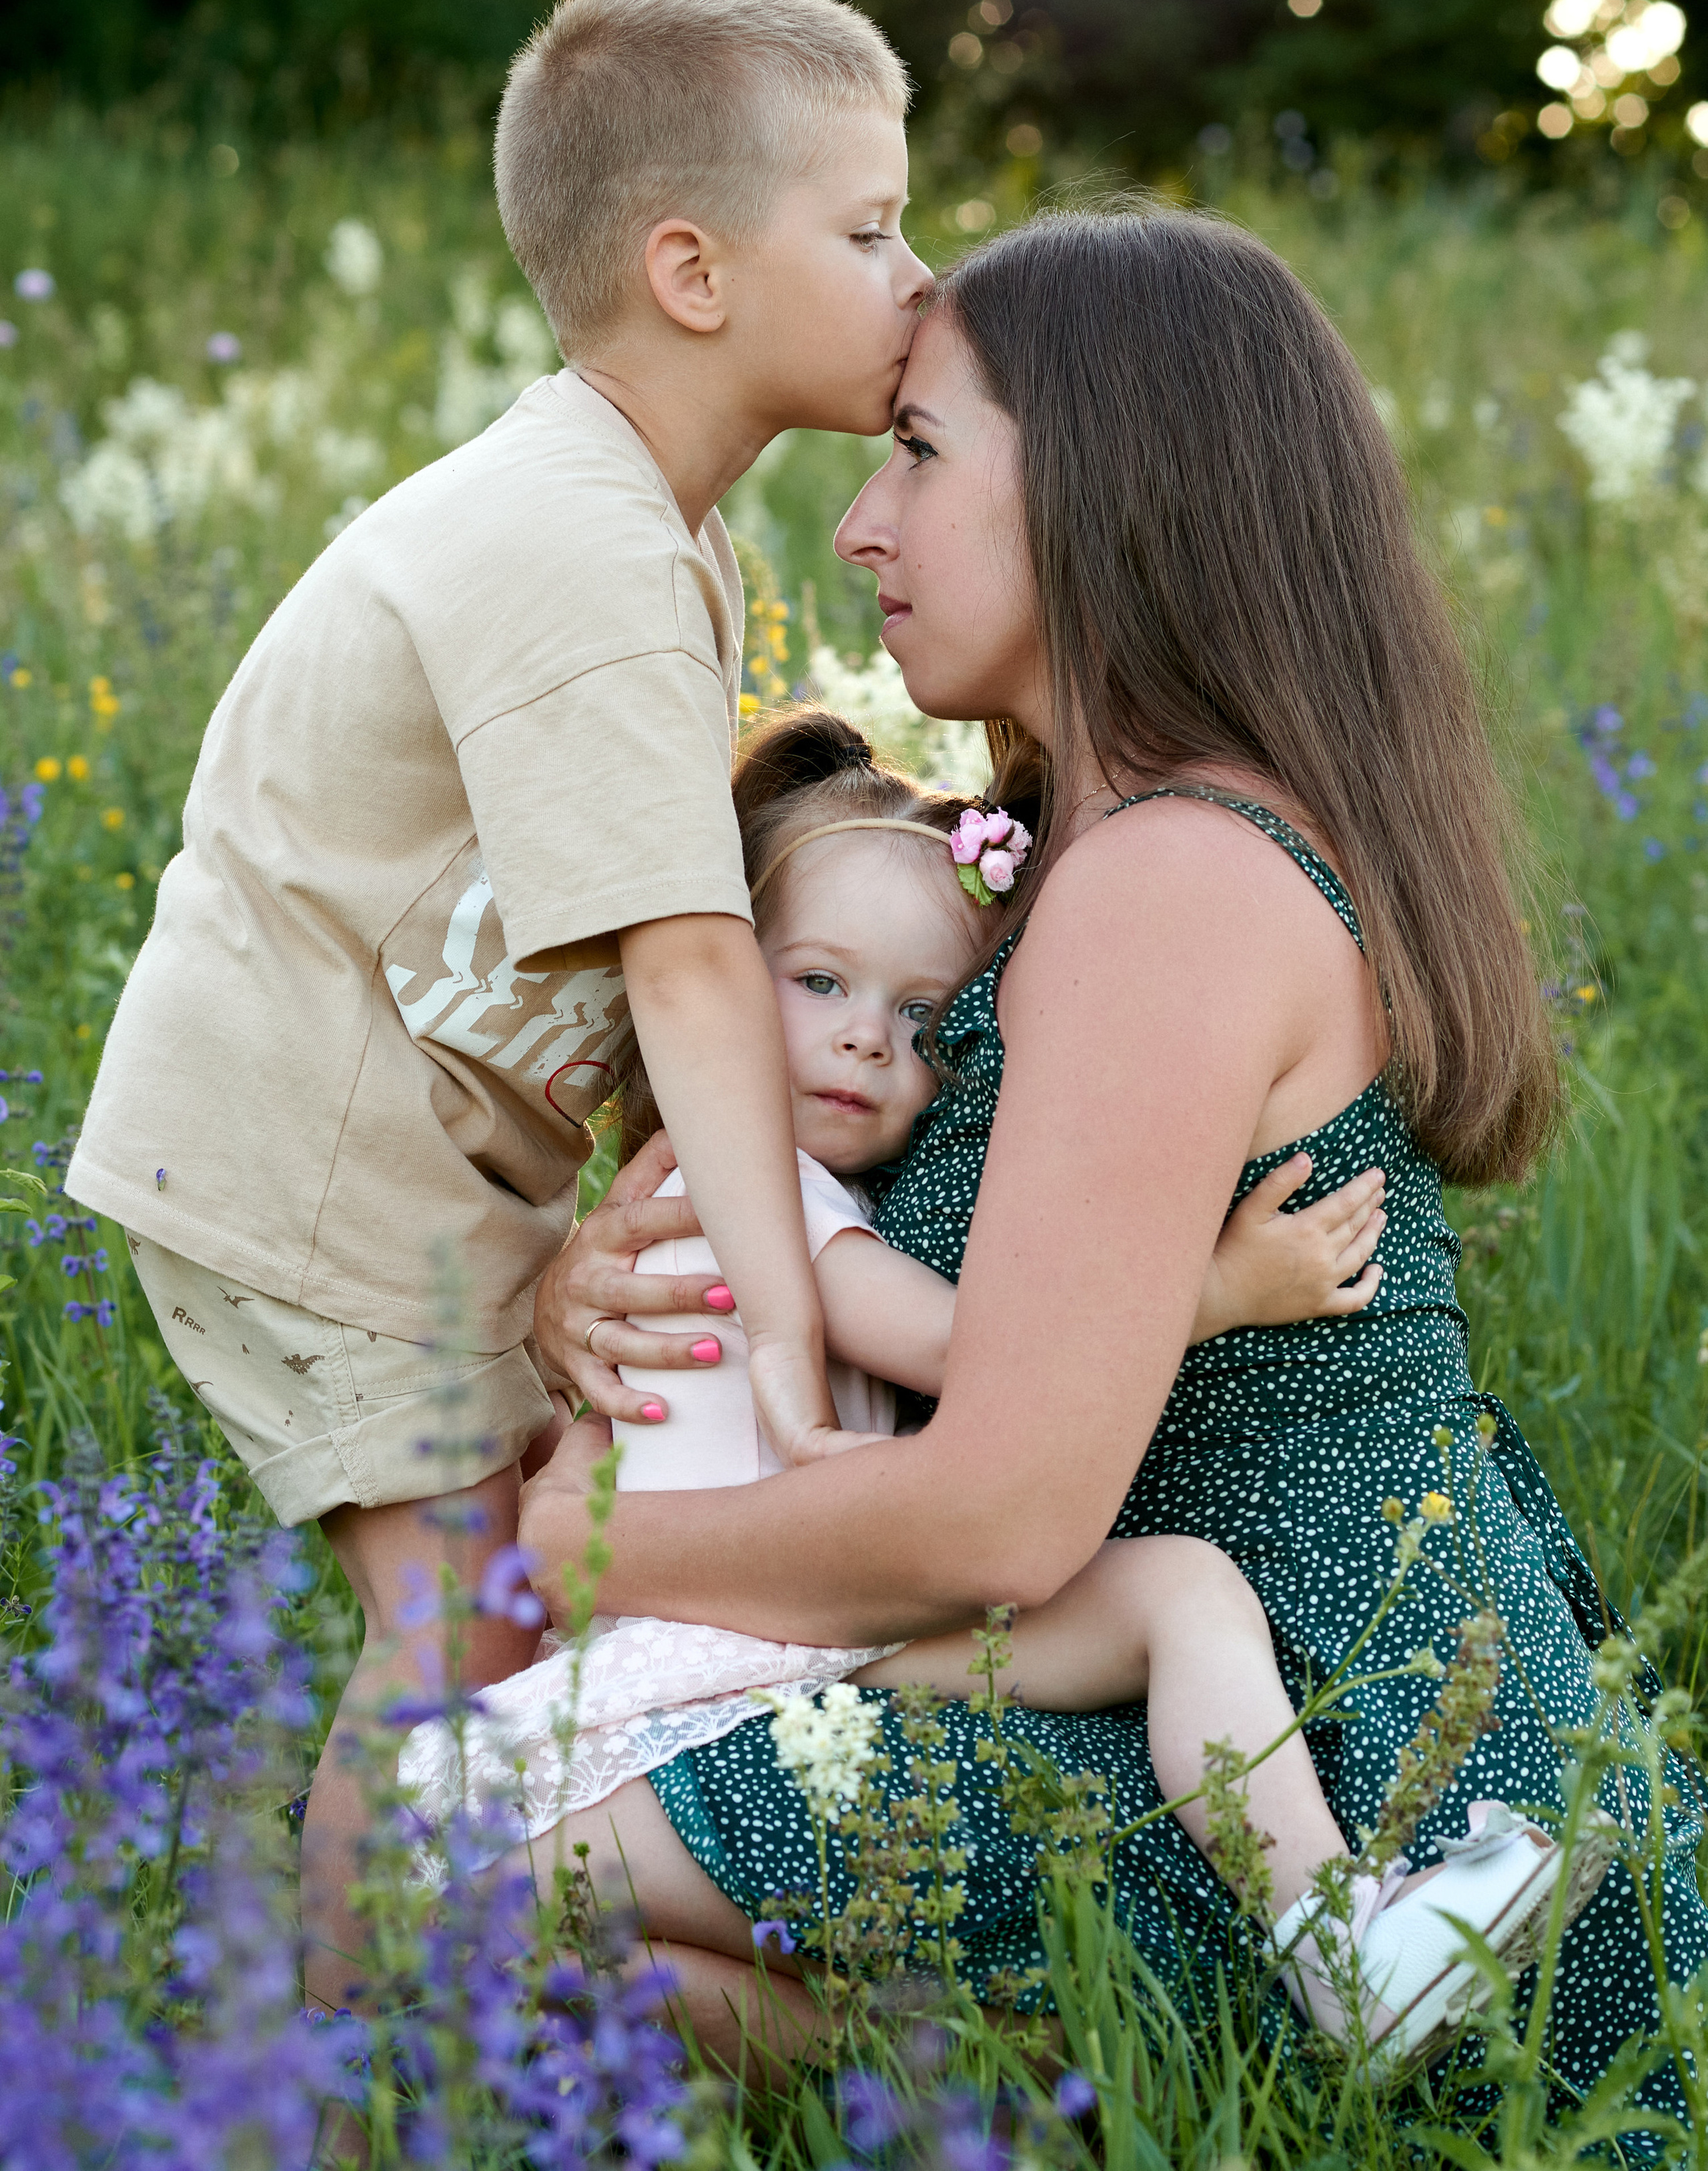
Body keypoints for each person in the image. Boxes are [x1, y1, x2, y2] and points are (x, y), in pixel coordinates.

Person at [518, 206, 1708, 2110]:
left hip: (1302, 1741)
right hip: (1187, 1678)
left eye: (916, 449)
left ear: (1108, 487)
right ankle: (1092, 2087)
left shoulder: (1171, 883)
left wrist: (591, 1552)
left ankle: (1158, 2063)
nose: (862, 525)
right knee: (563, 1960)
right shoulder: (1105, 840)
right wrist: (592, 1285)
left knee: (420, 1902)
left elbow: (999, 1516)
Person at [63, 0, 933, 2010]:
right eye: (874, 227)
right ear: (691, 270)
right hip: (306, 1165)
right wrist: (787, 1334)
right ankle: (352, 2063)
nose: (922, 273)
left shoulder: (648, 525)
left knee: (508, 1608)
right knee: (458, 1614)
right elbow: (691, 960)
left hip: (412, 1165)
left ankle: (483, 1990)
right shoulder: (576, 540)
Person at [413, 710, 1574, 2062]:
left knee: (1168, 1604)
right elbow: (978, 1350)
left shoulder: (806, 1191)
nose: (865, 1043)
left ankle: (1019, 2042)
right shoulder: (748, 1190)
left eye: (917, 1018)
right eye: (817, 983)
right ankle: (1329, 1940)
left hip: (767, 1624)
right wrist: (1216, 1291)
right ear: (719, 987)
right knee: (1179, 1592)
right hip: (730, 1648)